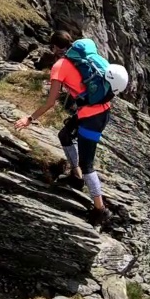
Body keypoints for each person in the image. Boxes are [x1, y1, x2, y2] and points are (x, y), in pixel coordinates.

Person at [16, 30, 113, 222]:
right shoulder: (85, 54)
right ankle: (75, 176)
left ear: (55, 48)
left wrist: (29, 118)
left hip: (91, 117)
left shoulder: (60, 66)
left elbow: (51, 102)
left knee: (88, 164)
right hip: (103, 109)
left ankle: (100, 210)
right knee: (65, 135)